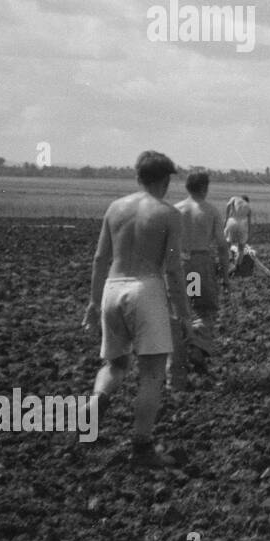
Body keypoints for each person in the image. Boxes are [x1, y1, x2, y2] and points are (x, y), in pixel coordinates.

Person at [82, 151, 194, 467]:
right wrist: (184, 315)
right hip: (146, 288)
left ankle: (93, 409)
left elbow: (99, 259)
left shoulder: (115, 208)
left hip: (112, 290)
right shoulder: (169, 214)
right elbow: (173, 269)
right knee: (153, 372)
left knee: (115, 365)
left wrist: (93, 302)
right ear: (165, 180)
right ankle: (142, 448)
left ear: (137, 177)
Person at [170, 168, 231, 386]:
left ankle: (181, 354)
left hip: (179, 264)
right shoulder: (209, 211)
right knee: (203, 307)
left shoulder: (175, 210)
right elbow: (222, 246)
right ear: (205, 188)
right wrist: (225, 274)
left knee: (182, 307)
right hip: (199, 264)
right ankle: (197, 346)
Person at [224, 194, 253, 272]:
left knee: (227, 245)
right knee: (241, 249)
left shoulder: (234, 198)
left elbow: (228, 205)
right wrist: (249, 234)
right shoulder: (249, 208)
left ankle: (229, 262)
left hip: (232, 222)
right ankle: (237, 267)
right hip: (242, 226)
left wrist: (226, 217)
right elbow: (249, 223)